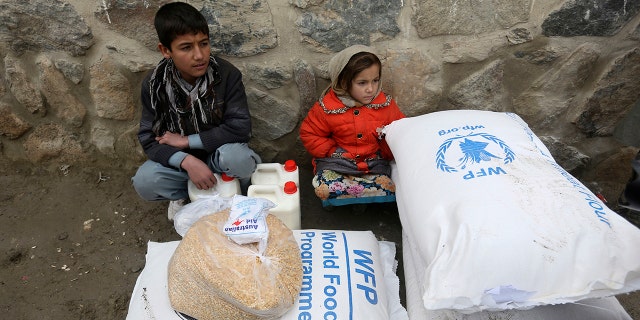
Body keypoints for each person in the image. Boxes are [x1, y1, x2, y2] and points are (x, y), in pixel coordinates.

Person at [132, 2, 261, 220]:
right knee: (145, 181)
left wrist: (187, 141)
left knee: (239, 158)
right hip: (182, 166)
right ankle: (187, 194)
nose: (199, 55)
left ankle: (240, 193)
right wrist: (186, 160)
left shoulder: (227, 75)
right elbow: (149, 138)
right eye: (186, 47)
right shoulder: (154, 85)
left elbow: (240, 128)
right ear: (165, 50)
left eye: (204, 43)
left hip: (219, 159)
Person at [299, 45, 405, 207]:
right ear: (344, 82)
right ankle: (349, 200)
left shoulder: (385, 105)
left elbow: (400, 131)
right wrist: (331, 151)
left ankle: (358, 200)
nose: (371, 89)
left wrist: (384, 150)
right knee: (326, 187)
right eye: (362, 83)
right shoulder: (327, 108)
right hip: (338, 163)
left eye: (375, 81)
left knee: (393, 188)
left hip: (373, 163)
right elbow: (310, 133)